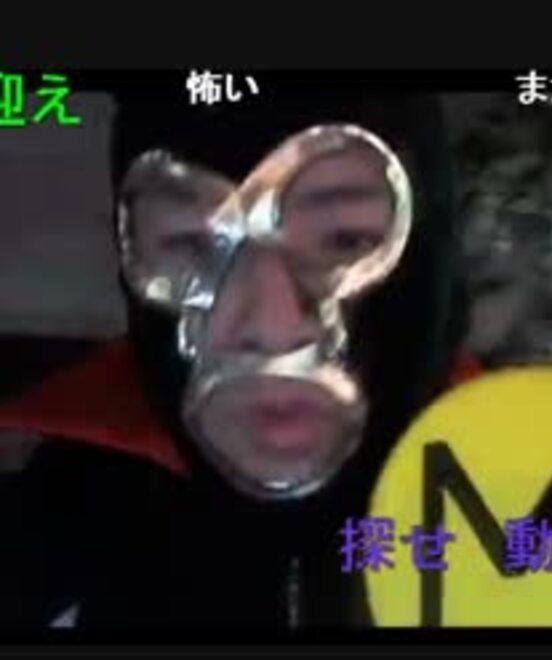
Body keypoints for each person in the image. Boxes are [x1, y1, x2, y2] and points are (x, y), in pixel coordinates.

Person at [0, 89, 476, 630]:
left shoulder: (537, 503)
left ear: (427, 255)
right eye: (190, 244)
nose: (268, 327)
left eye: (344, 239)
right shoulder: (77, 506)